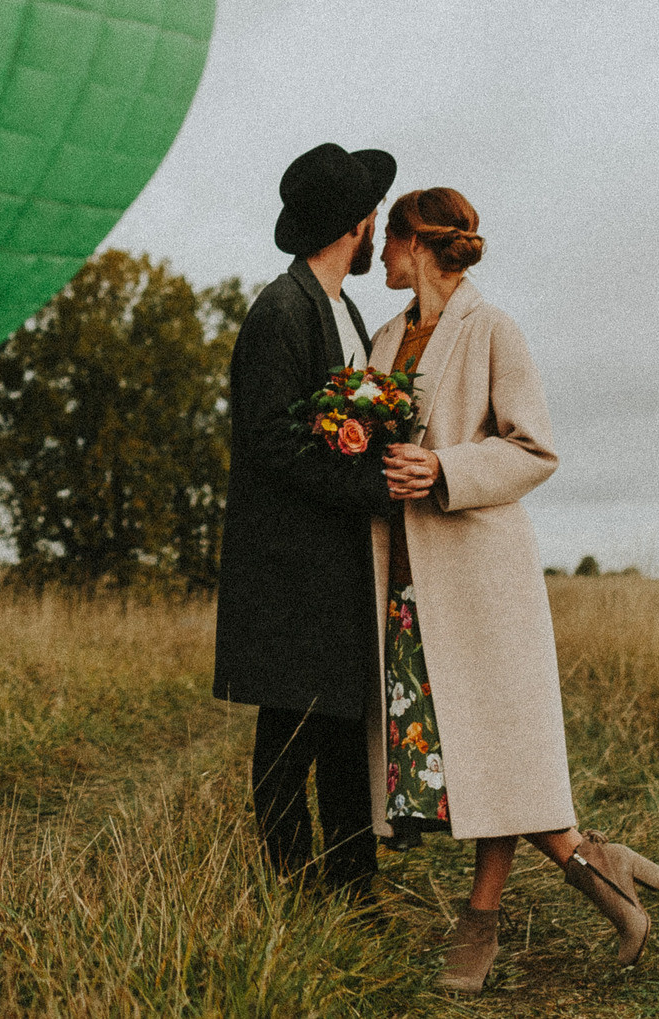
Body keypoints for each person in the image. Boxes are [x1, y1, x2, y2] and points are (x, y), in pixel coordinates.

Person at [368, 188, 659, 991]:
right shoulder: (385, 336)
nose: (380, 255)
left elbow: (535, 449)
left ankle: (481, 924)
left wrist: (444, 468)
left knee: (490, 752)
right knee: (464, 760)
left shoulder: (493, 328)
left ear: (417, 241)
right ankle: (596, 865)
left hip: (478, 577)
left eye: (390, 239)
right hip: (401, 580)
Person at [213, 142, 400, 895]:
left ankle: (354, 889)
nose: (378, 227)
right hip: (290, 568)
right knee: (290, 736)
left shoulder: (344, 309)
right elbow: (270, 437)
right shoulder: (280, 311)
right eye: (373, 215)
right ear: (354, 224)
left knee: (344, 736)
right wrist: (371, 487)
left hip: (339, 564)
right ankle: (294, 892)